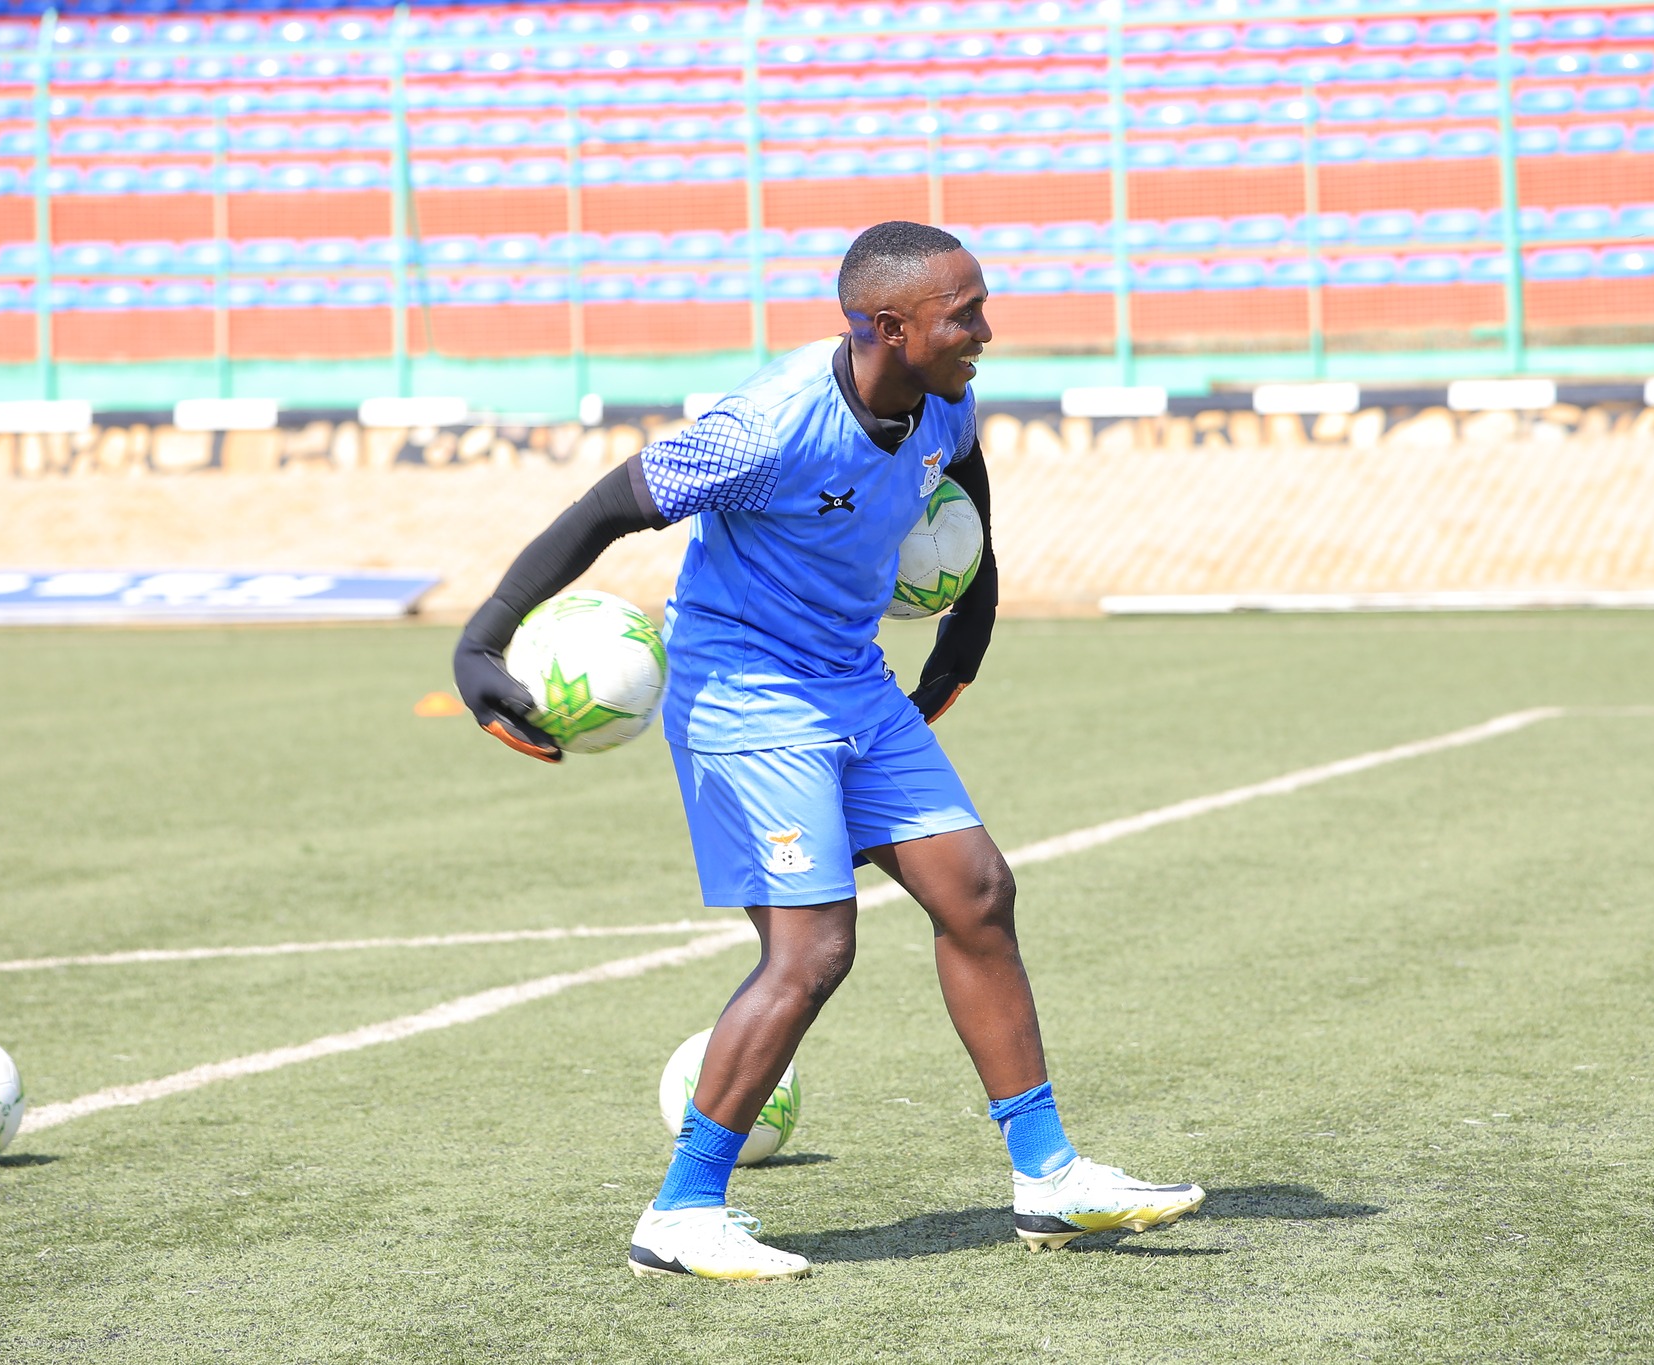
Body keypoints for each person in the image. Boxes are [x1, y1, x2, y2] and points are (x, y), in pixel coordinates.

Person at [454, 221, 1204, 1282]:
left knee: (977, 894)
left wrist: (966, 636)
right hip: (744, 693)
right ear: (887, 327)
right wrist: (483, 637)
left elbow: (966, 489)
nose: (983, 332)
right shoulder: (763, 429)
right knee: (812, 952)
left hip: (851, 681)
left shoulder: (943, 393)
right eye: (963, 315)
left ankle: (1048, 1178)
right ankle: (680, 1212)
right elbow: (607, 507)